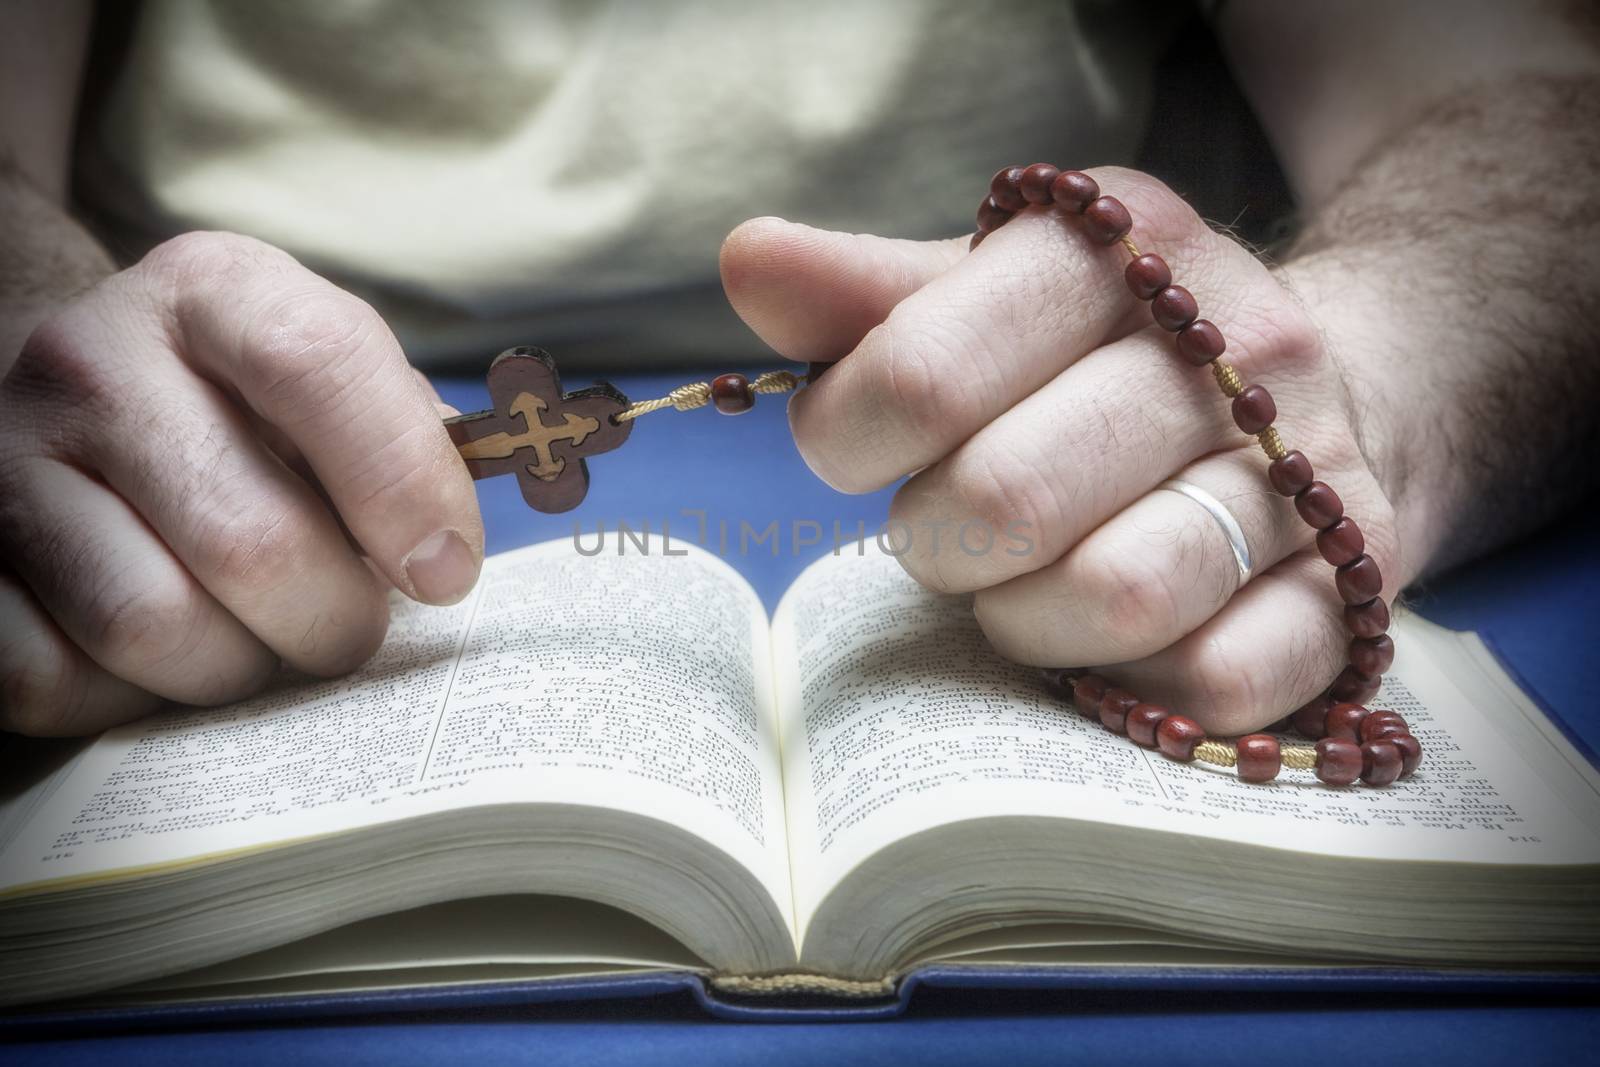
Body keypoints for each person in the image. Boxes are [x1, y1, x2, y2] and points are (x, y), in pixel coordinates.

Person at [1, 1, 1596, 738]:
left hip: (1109, 419)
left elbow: (1528, 108)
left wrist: (1365, 380)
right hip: (236, 457)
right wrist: (36, 329)